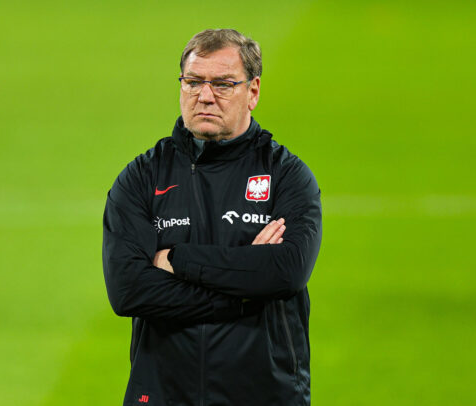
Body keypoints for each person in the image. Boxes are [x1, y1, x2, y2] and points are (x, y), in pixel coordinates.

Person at [102, 28, 322, 406]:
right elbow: (128, 290)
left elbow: (286, 271)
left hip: (264, 396)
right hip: (164, 396)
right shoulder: (142, 177)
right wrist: (243, 293)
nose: (205, 96)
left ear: (253, 91)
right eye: (193, 82)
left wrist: (176, 259)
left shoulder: (287, 176)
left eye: (222, 84)